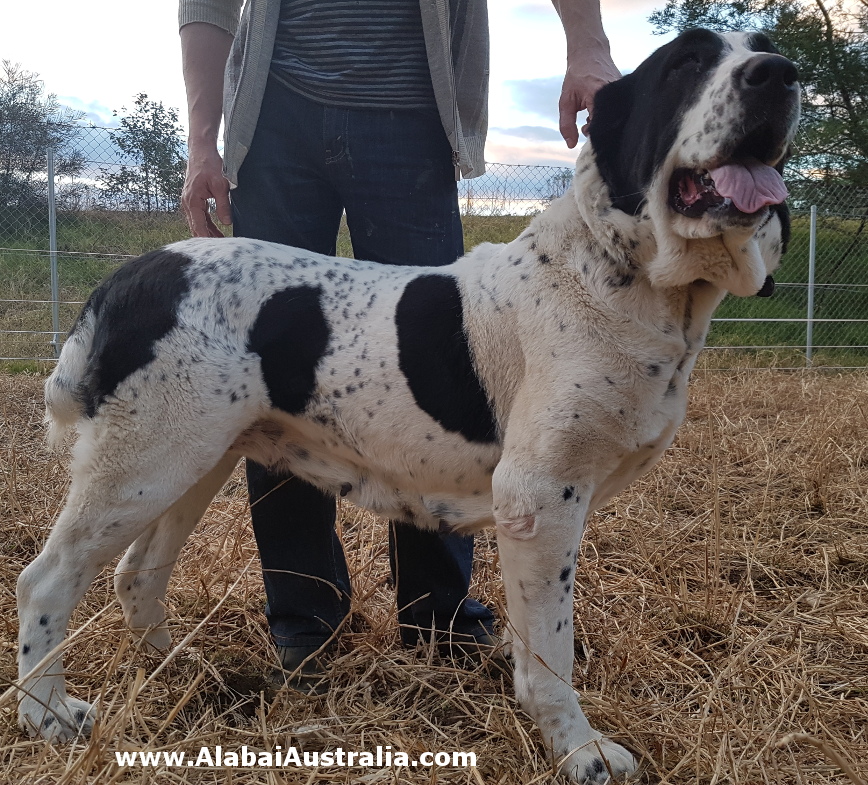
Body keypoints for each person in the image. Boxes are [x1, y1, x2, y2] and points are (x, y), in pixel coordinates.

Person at [178, 0, 620, 692]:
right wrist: (203, 139)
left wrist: (586, 46)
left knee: (449, 371)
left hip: (412, 109)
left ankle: (439, 618)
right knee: (276, 382)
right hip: (271, 119)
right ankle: (305, 618)